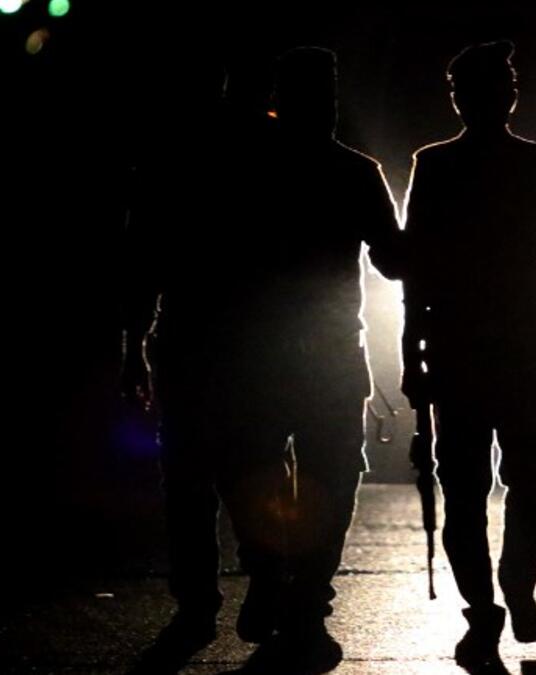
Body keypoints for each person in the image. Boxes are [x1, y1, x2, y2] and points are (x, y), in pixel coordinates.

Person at [121, 47, 403, 669]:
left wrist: (135, 342)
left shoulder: (227, 163)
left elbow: (150, 261)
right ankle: (297, 600)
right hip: (315, 354)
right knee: (321, 475)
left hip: (250, 354)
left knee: (236, 475)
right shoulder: (349, 171)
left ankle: (255, 588)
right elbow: (396, 261)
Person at [400, 40, 536, 668]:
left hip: (463, 346)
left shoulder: (436, 165)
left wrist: (411, 352)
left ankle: (488, 608)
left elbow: (416, 270)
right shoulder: (535, 163)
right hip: (507, 345)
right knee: (523, 475)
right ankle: (510, 591)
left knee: (469, 485)